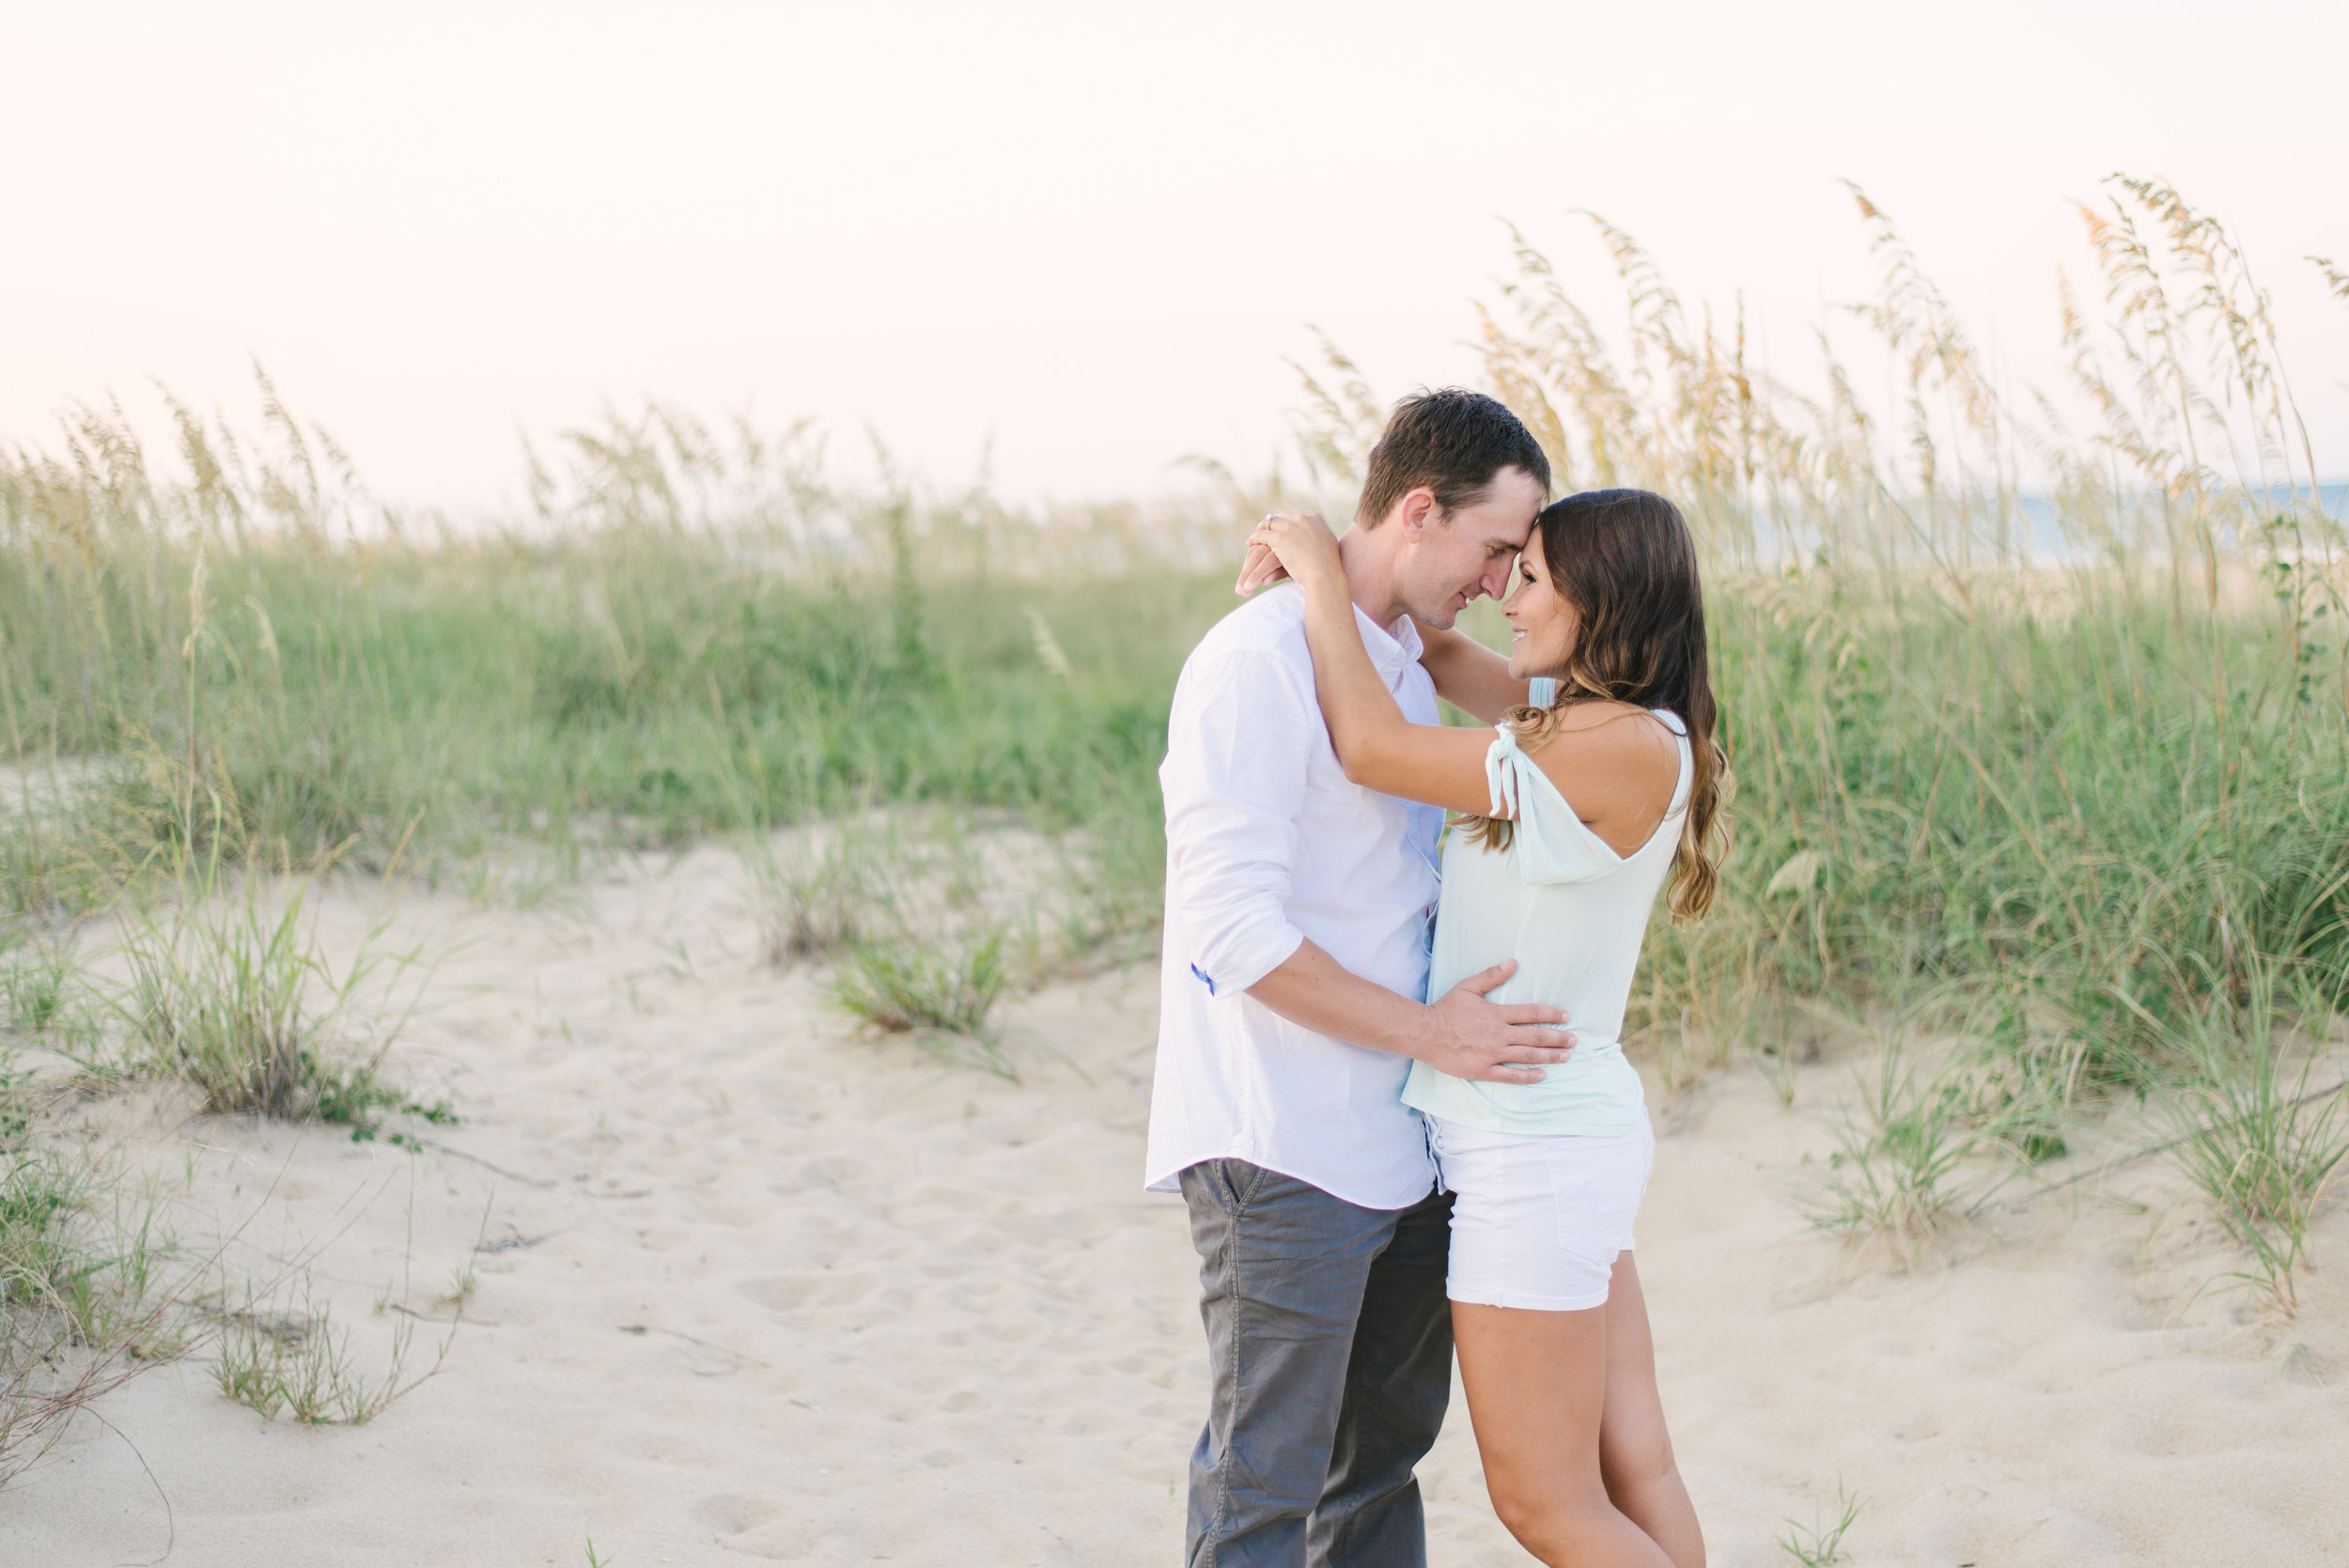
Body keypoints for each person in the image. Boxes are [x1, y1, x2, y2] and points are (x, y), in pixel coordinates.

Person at [1238, 487, 1727, 1568]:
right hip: (1570, 1131)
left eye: (1533, 576)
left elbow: (1368, 743)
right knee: (1630, 1464)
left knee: (1548, 1505)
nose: (1509, 591)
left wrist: (1321, 577)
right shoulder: (1619, 725)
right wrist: (1398, 581)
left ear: (1597, 600)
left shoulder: (1598, 747)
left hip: (1532, 1150)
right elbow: (1462, 661)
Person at [1147, 388, 1572, 1568]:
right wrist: (1430, 1033)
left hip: (1407, 1143)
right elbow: (1230, 931)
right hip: (1284, 1143)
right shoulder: (1254, 664)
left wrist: (1334, 577)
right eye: (1493, 549)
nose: (1499, 582)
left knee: (1376, 1472)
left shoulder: (1391, 650)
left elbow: (1551, 711)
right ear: (1421, 509)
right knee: (1263, 1485)